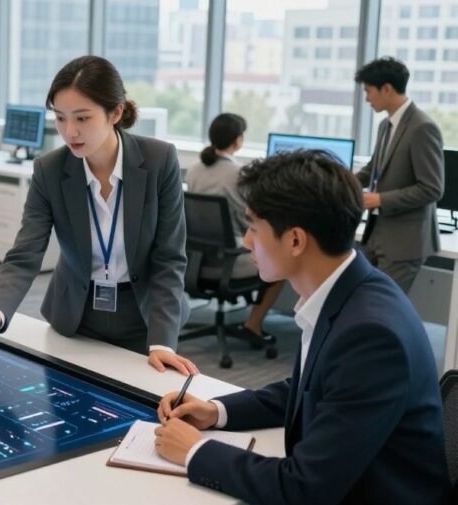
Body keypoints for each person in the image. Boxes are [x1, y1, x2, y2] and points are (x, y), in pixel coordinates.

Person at [154, 150, 450, 505]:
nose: (247, 242)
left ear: (295, 240)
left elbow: (305, 489)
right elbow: (311, 387)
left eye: (253, 227)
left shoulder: (371, 335)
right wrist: (217, 412)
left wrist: (195, 452)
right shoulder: (352, 288)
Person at [0, 56, 196, 375]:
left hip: (147, 319)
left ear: (115, 112)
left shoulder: (159, 160)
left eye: (82, 118)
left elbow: (170, 258)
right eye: (60, 119)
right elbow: (25, 255)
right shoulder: (49, 169)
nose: (70, 131)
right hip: (76, 315)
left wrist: (162, 342)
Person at [185, 113, 285, 348]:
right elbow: (247, 222)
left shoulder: (195, 168)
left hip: (196, 261)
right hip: (228, 261)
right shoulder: (239, 175)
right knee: (281, 266)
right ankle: (253, 325)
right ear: (238, 140)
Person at [354, 56, 444, 293]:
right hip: (377, 234)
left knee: (381, 308)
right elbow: (375, 168)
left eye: (369, 91)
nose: (366, 99)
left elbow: (432, 188)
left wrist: (380, 199)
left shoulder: (422, 127)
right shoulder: (386, 125)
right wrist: (341, 182)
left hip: (405, 241)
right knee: (367, 301)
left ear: (386, 88)